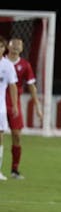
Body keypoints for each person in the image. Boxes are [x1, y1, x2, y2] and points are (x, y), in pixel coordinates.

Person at [4, 38, 43, 179]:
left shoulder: (25, 65)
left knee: (17, 135)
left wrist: (38, 107)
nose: (15, 46)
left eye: (18, 45)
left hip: (15, 104)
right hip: (1, 102)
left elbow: (31, 86)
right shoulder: (2, 62)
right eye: (13, 44)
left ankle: (14, 169)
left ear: (22, 48)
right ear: (7, 46)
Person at [0, 36, 20, 181]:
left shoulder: (7, 65)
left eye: (1, 46)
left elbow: (12, 86)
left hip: (0, 108)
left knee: (0, 138)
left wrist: (14, 104)